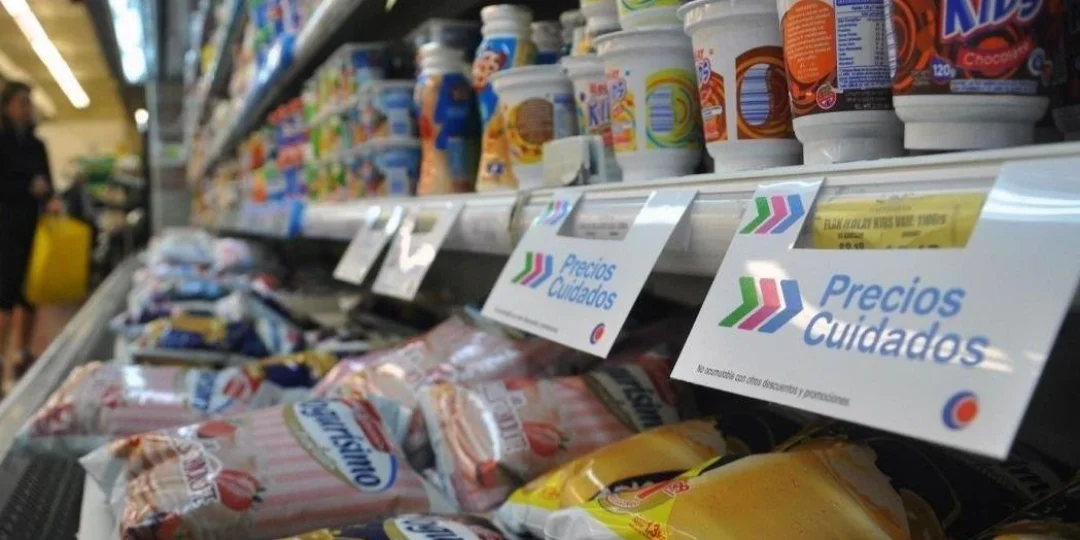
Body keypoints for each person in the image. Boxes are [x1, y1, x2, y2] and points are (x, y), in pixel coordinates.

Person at [0, 81, 53, 393]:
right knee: (5, 292)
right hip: (5, 227)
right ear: (7, 107)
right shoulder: (2, 143)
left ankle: (22, 352)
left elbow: (48, 182)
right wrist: (25, 188)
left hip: (33, 227)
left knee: (30, 291)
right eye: (22, 102)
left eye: (29, 102)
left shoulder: (37, 145)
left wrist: (49, 195)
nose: (27, 108)